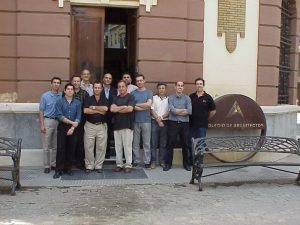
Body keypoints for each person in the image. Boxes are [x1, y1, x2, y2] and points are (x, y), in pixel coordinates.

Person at [53, 83, 81, 179]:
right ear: (64, 91)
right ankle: (58, 170)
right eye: (68, 89)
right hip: (62, 127)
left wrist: (73, 127)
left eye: (71, 89)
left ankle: (68, 169)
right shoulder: (59, 102)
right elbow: (59, 116)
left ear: (73, 91)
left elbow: (78, 116)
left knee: (71, 149)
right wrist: (71, 123)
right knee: (60, 149)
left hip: (73, 129)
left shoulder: (77, 103)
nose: (70, 90)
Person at [163, 81, 192, 172]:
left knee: (186, 144)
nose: (180, 87)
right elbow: (172, 111)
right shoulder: (170, 98)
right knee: (170, 144)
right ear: (175, 87)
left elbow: (190, 111)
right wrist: (183, 110)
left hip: (184, 124)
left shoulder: (187, 98)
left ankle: (186, 164)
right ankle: (168, 164)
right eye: (178, 85)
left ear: (183, 88)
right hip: (173, 123)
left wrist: (177, 110)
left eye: (182, 86)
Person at [189, 78, 216, 163]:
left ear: (203, 85)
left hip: (202, 126)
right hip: (191, 125)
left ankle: (199, 162)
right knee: (192, 144)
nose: (199, 85)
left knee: (200, 144)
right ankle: (191, 162)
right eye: (197, 84)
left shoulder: (208, 97)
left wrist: (206, 118)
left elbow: (213, 111)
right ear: (195, 85)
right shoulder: (191, 96)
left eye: (200, 84)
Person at [83, 81, 109, 173]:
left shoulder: (104, 99)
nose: (97, 89)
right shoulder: (88, 98)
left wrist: (93, 108)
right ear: (93, 88)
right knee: (88, 146)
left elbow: (105, 109)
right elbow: (85, 110)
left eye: (99, 88)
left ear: (101, 89)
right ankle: (89, 166)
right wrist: (99, 110)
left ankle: (98, 166)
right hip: (90, 125)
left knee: (101, 147)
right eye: (95, 87)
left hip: (101, 126)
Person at [110, 80, 135, 173]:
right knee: (118, 146)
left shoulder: (131, 97)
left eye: (123, 86)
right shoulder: (115, 98)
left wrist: (118, 108)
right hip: (117, 125)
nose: (121, 88)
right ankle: (119, 164)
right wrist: (123, 107)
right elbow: (112, 109)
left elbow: (130, 109)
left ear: (126, 87)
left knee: (127, 146)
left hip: (127, 125)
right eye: (119, 87)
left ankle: (128, 165)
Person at [39, 77, 62, 174]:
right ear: (51, 84)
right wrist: (42, 125)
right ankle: (47, 165)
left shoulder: (61, 95)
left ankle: (53, 164)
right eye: (54, 82)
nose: (56, 84)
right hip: (47, 121)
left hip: (58, 121)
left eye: (58, 83)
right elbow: (41, 111)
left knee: (55, 145)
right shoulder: (45, 96)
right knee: (46, 145)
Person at [131, 74, 153, 168]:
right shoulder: (133, 93)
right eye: (137, 81)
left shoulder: (149, 92)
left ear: (144, 81)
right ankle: (136, 160)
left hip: (146, 120)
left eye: (141, 80)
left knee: (146, 142)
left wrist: (137, 105)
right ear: (136, 82)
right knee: (135, 142)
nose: (139, 82)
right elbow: (132, 107)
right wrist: (142, 106)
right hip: (135, 120)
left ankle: (147, 161)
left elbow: (148, 105)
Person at [72, 75, 89, 169]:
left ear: (80, 82)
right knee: (71, 141)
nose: (76, 83)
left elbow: (86, 107)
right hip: (69, 121)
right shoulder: (68, 91)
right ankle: (70, 161)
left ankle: (79, 162)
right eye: (74, 81)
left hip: (81, 121)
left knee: (80, 142)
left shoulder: (85, 93)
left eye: (78, 81)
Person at [150, 82, 169, 169]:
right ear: (157, 89)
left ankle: (162, 161)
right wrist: (158, 120)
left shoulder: (169, 99)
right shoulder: (153, 98)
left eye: (163, 88)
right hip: (154, 122)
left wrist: (161, 118)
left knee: (163, 143)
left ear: (166, 89)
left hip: (165, 122)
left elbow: (169, 111)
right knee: (153, 143)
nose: (161, 90)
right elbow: (152, 110)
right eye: (160, 88)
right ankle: (153, 161)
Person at [101, 73, 118, 159]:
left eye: (109, 78)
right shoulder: (98, 88)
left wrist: (114, 116)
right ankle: (100, 153)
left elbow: (116, 103)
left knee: (107, 134)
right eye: (106, 78)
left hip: (111, 117)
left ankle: (107, 153)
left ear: (111, 80)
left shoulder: (115, 90)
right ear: (103, 79)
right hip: (100, 116)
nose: (107, 79)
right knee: (100, 136)